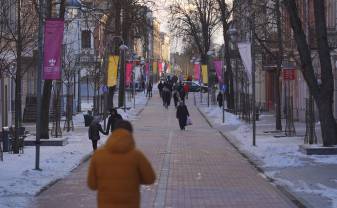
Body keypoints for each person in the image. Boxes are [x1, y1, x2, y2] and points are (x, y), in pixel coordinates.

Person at [87, 120, 156, 208]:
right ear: (130, 133)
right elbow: (150, 179)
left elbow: (92, 185)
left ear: (114, 131)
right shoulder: (137, 156)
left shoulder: (98, 155)